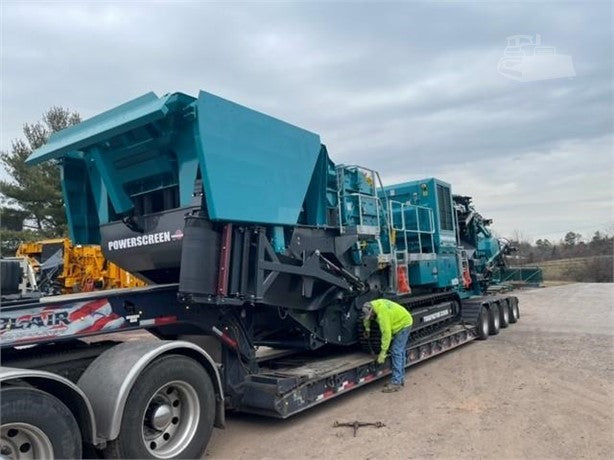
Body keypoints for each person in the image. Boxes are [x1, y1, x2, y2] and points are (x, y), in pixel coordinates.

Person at [362, 299, 413, 393]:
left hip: (404, 324)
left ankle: (396, 382)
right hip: (401, 319)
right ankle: (399, 379)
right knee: (400, 351)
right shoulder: (373, 305)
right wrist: (367, 329)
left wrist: (383, 353)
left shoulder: (382, 315)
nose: (371, 317)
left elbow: (386, 335)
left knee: (396, 351)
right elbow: (367, 319)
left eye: (371, 315)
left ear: (372, 310)